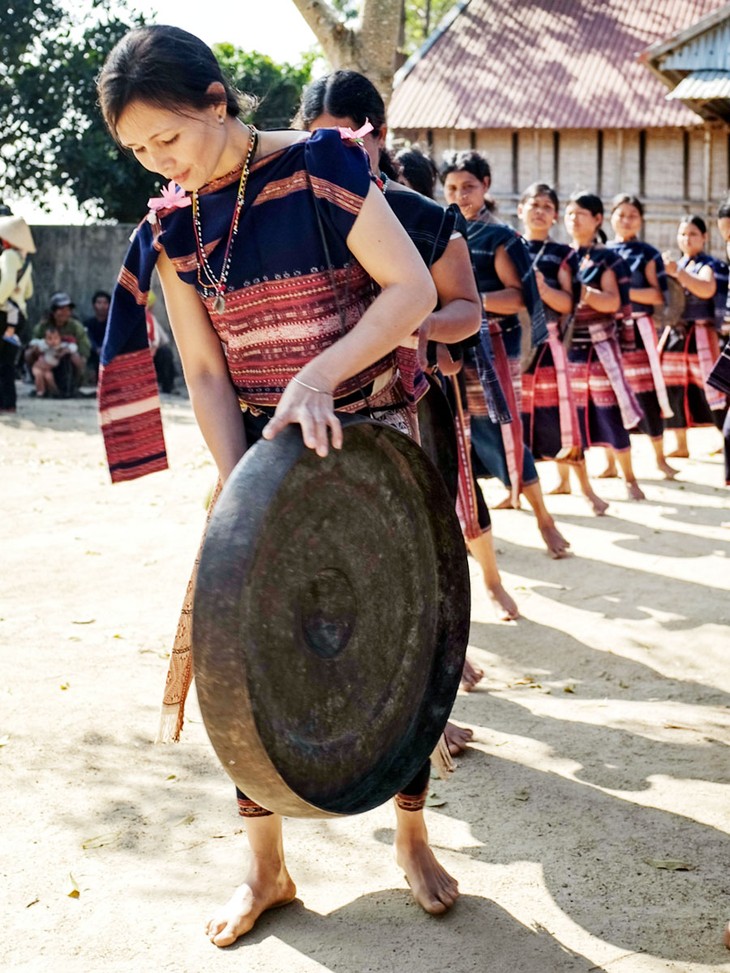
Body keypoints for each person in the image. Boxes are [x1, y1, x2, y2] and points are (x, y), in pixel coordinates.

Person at [97, 25, 458, 946]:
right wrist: (240, 488)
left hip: (372, 441)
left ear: (217, 100)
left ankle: (410, 837)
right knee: (241, 659)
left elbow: (411, 293)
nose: (158, 163)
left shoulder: (324, 166)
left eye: (167, 139)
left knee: (402, 647)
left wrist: (318, 374)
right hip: (267, 464)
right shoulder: (173, 224)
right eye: (139, 151)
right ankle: (266, 870)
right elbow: (209, 374)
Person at [295, 71, 518, 628]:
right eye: (317, 141)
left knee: (400, 545)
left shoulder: (421, 215)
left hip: (397, 405)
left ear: (381, 135)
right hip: (304, 404)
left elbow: (468, 310)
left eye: (349, 141)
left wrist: (417, 328)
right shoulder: (286, 211)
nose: (332, 155)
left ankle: (426, 673)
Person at [442, 151, 571, 558]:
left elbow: (518, 297)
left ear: (486, 186)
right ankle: (473, 528)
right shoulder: (441, 230)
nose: (460, 195)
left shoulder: (499, 237)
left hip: (494, 347)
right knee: (457, 437)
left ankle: (544, 520)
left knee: (502, 432)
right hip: (450, 347)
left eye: (468, 187)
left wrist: (469, 301)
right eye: (451, 188)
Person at [516, 183, 608, 515]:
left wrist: (540, 288)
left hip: (549, 344)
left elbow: (569, 304)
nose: (539, 210)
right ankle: (516, 492)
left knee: (563, 419)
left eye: (546, 206)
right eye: (533, 204)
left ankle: (586, 490)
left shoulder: (563, 254)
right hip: (514, 342)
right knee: (516, 419)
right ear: (520, 209)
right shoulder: (509, 246)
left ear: (554, 216)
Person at [563, 192, 646, 500]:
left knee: (610, 413)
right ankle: (571, 482)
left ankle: (629, 479)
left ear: (597, 219)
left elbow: (613, 302)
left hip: (599, 347)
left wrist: (583, 292)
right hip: (569, 347)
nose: (573, 219)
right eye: (570, 213)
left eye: (580, 214)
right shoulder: (564, 255)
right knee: (570, 418)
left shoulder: (608, 258)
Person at [607, 195, 678, 479]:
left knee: (647, 393)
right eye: (621, 214)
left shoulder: (647, 253)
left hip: (638, 331)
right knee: (610, 394)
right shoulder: (601, 251)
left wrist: (620, 293)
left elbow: (657, 295)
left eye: (632, 215)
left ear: (641, 220)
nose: (626, 220)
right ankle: (611, 463)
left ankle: (660, 459)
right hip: (607, 331)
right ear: (610, 217)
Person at [660, 215, 728, 459]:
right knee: (674, 388)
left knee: (715, 387)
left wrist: (677, 272)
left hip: (702, 334)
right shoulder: (678, 266)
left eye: (692, 234)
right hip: (676, 335)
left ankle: (725, 437)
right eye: (683, 234)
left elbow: (706, 288)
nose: (687, 239)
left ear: (704, 237)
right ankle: (680, 443)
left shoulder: (709, 265)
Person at [0, 214, 35, 413]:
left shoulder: (7, 256)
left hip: (4, 314)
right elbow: (28, 291)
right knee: (8, 361)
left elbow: (6, 284)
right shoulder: (25, 260)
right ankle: (9, 402)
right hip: (19, 314)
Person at [27, 293, 90, 395]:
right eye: (61, 309)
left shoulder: (75, 326)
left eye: (67, 310)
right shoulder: (43, 327)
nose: (64, 313)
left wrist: (69, 352)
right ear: (53, 311)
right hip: (46, 359)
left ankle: (72, 387)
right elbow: (33, 343)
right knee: (28, 354)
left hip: (67, 362)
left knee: (77, 358)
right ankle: (40, 384)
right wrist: (40, 349)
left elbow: (85, 347)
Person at [27, 324, 77, 397]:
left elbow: (73, 347)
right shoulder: (43, 345)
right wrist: (36, 347)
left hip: (48, 369)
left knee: (49, 377)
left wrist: (66, 351)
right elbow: (33, 342)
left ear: (60, 338)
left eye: (56, 338)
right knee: (39, 375)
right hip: (38, 367)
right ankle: (40, 391)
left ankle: (53, 391)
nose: (53, 341)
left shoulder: (62, 346)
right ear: (45, 339)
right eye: (49, 338)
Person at [146, 291, 177, 393]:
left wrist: (154, 347)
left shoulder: (150, 318)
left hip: (152, 353)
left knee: (166, 353)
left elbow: (162, 340)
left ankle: (168, 386)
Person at [83, 289, 110, 385]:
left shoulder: (113, 324)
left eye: (105, 303)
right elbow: (87, 338)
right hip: (93, 354)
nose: (102, 306)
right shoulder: (88, 323)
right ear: (94, 305)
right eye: (99, 303)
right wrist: (96, 349)